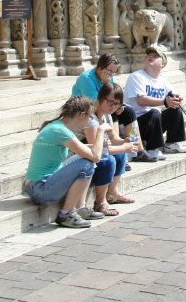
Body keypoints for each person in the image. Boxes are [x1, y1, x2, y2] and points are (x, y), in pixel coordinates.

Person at [22, 95, 110, 229]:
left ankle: (80, 208)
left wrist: (97, 145)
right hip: (39, 189)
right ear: (82, 115)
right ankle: (66, 214)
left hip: (37, 185)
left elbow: (83, 149)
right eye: (90, 117)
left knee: (86, 159)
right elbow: (95, 157)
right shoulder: (61, 131)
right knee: (87, 163)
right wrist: (100, 131)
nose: (90, 121)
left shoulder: (58, 127)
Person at [72, 52, 138, 170]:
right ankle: (117, 150)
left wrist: (119, 106)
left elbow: (111, 94)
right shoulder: (86, 78)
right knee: (111, 109)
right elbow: (95, 103)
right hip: (86, 110)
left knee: (128, 112)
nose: (111, 74)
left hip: (101, 108)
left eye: (114, 72)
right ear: (100, 66)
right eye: (109, 71)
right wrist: (114, 106)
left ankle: (138, 148)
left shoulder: (108, 77)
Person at [124, 45, 186, 162]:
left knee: (175, 109)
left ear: (163, 64)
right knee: (154, 112)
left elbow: (172, 95)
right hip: (136, 126)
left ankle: (171, 143)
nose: (151, 56)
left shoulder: (163, 81)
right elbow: (141, 100)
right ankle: (151, 148)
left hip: (154, 123)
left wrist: (176, 99)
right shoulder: (137, 76)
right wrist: (165, 102)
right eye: (149, 55)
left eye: (155, 56)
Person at [83, 83, 137, 216]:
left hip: (96, 154)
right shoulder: (91, 119)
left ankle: (112, 192)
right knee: (109, 160)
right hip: (83, 157)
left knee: (121, 154)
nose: (113, 107)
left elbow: (113, 138)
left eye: (117, 104)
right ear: (101, 97)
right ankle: (100, 202)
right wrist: (123, 147)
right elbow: (96, 150)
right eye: (110, 102)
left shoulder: (107, 115)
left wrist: (124, 141)